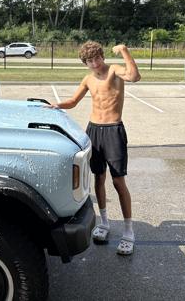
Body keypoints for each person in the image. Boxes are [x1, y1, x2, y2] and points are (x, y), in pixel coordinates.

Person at [48, 41, 140, 255]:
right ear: (85, 63)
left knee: (118, 181)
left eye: (97, 58)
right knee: (98, 178)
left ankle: (128, 231)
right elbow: (73, 101)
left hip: (113, 130)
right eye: (90, 60)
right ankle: (104, 223)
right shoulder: (88, 79)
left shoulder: (114, 70)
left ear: (102, 57)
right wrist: (56, 105)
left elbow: (134, 76)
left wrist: (124, 50)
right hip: (94, 130)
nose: (95, 63)